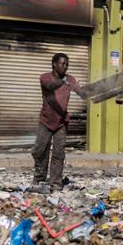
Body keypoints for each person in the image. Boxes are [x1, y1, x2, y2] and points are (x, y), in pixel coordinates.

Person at [32, 53, 83, 191]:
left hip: (61, 122)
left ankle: (55, 183)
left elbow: (82, 93)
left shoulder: (70, 79)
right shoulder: (45, 77)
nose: (65, 66)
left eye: (67, 64)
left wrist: (101, 90)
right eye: (62, 63)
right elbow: (50, 86)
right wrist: (62, 82)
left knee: (58, 154)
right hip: (46, 121)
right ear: (54, 64)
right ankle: (39, 178)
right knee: (39, 151)